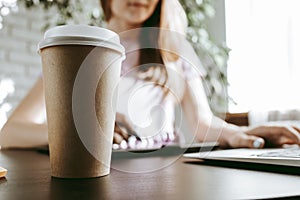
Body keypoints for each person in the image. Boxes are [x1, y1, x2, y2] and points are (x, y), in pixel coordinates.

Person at [0, 0, 300, 150]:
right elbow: (10, 133)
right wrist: (82, 134)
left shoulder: (174, 52)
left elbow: (202, 125)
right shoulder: (77, 54)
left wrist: (240, 134)